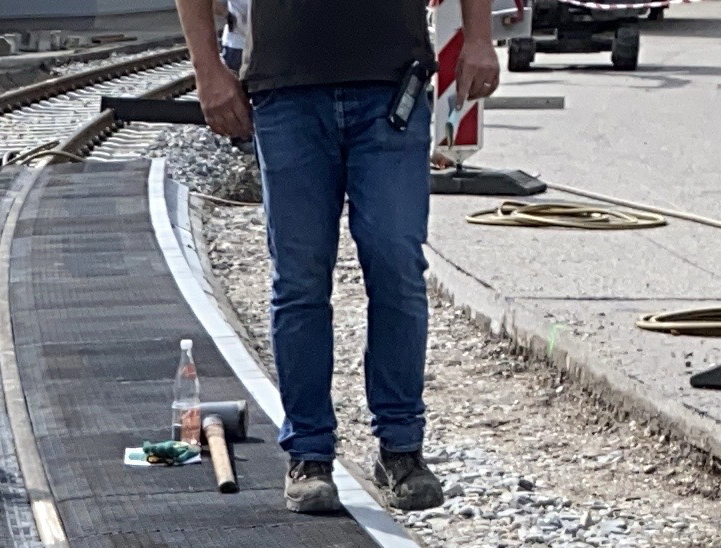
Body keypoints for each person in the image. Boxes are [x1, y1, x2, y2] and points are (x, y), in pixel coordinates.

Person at [176, 0, 497, 515]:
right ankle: (308, 455)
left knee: (397, 270)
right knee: (300, 280)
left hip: (393, 88)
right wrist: (207, 68)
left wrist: (480, 39)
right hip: (286, 90)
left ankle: (401, 451)